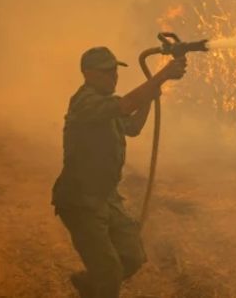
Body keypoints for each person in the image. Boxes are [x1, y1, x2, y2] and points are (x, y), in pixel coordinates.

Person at [52, 46, 186, 298]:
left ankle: (92, 284)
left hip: (105, 197)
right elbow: (125, 105)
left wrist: (150, 96)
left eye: (115, 71)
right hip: (80, 201)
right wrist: (162, 76)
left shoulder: (106, 107)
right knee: (110, 272)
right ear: (88, 74)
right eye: (106, 72)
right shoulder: (85, 103)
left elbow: (133, 126)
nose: (114, 76)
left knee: (133, 256)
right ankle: (101, 284)